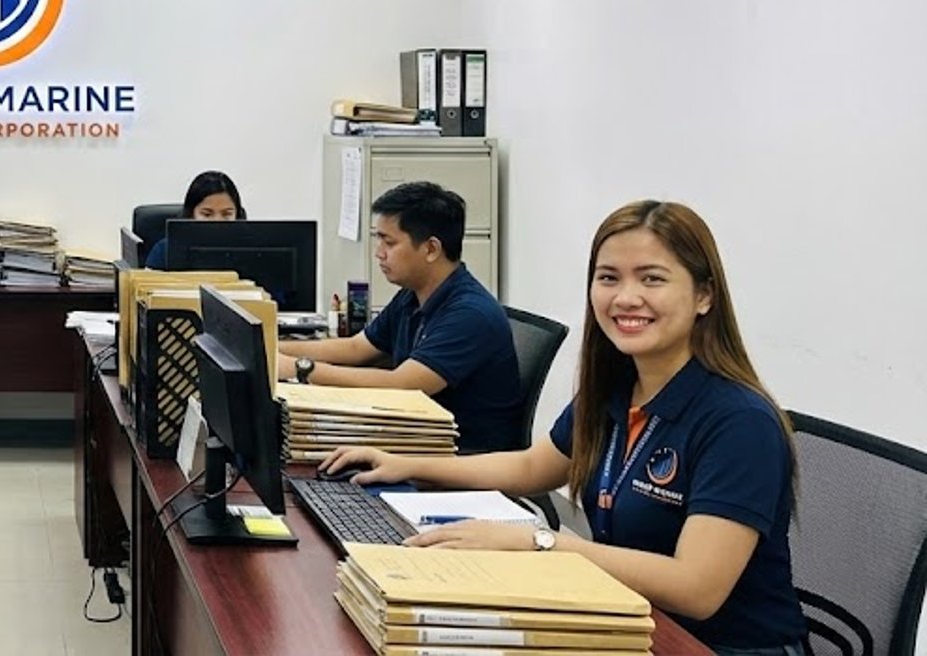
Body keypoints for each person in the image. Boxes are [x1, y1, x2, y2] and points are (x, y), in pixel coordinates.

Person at [320, 201, 803, 656]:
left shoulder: (739, 420)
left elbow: (696, 588)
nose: (625, 297)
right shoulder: (616, 388)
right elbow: (533, 467)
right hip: (623, 621)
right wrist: (407, 465)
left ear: (704, 295)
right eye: (608, 277)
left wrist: (540, 542)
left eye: (652, 279)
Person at [276, 181, 520, 454]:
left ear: (431, 249)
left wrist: (299, 369)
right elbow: (357, 348)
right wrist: (270, 348)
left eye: (389, 242)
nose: (379, 252)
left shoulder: (470, 314)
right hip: (413, 436)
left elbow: (402, 385)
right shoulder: (412, 294)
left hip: (461, 457)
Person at [143, 170, 244, 270]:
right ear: (191, 214)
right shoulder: (165, 250)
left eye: (227, 214)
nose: (218, 221)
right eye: (207, 214)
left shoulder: (248, 249)